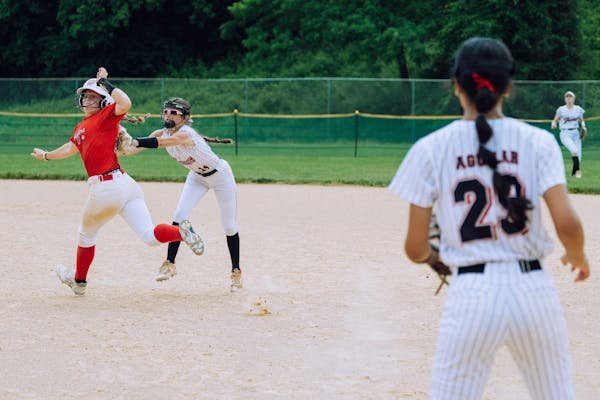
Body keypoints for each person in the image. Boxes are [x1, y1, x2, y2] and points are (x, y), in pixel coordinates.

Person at [389, 37, 590, 400]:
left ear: (455, 86)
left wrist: (435, 257)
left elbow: (415, 248)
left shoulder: (431, 148)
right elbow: (568, 225)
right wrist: (578, 256)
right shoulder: (538, 141)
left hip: (471, 293)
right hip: (534, 291)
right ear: (508, 88)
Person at [31, 68, 204, 296]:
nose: (87, 99)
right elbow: (70, 147)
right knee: (149, 236)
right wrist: (46, 156)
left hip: (106, 188)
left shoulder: (106, 116)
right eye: (86, 96)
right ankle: (180, 233)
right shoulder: (82, 126)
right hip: (125, 184)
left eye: (94, 96)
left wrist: (103, 81)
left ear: (104, 102)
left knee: (86, 234)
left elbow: (125, 103)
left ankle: (79, 281)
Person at [125, 97, 242, 292]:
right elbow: (132, 149)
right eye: (166, 111)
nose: (168, 115)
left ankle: (236, 272)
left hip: (220, 176)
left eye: (174, 112)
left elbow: (160, 143)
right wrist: (116, 146)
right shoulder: (160, 133)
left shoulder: (185, 134)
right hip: (197, 177)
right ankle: (170, 263)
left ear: (185, 118)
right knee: (179, 217)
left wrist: (133, 140)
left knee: (229, 225)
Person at [551, 91, 587, 178]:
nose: (568, 98)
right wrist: (554, 124)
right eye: (567, 97)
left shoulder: (578, 109)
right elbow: (555, 120)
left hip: (576, 133)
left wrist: (583, 126)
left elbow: (581, 119)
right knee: (574, 151)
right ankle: (577, 172)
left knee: (579, 156)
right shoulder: (561, 109)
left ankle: (574, 173)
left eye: (570, 97)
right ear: (565, 99)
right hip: (565, 133)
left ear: (574, 99)